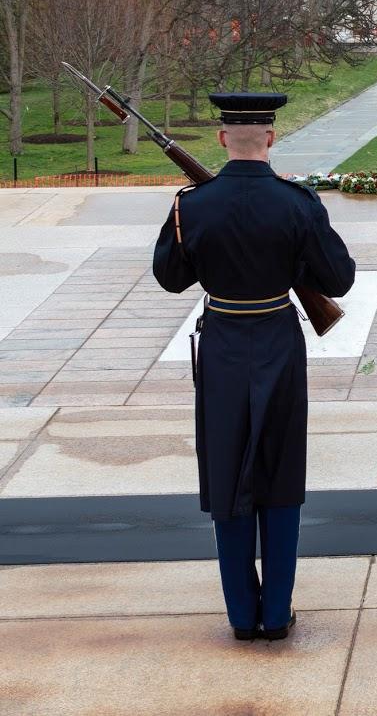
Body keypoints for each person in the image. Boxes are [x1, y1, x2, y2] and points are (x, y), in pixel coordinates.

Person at [152, 92, 355, 641]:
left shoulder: (191, 204)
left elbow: (170, 278)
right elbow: (338, 279)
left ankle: (242, 615)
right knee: (280, 472)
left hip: (221, 346)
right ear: (271, 136)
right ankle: (276, 613)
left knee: (228, 472)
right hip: (277, 343)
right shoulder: (298, 203)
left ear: (222, 138)